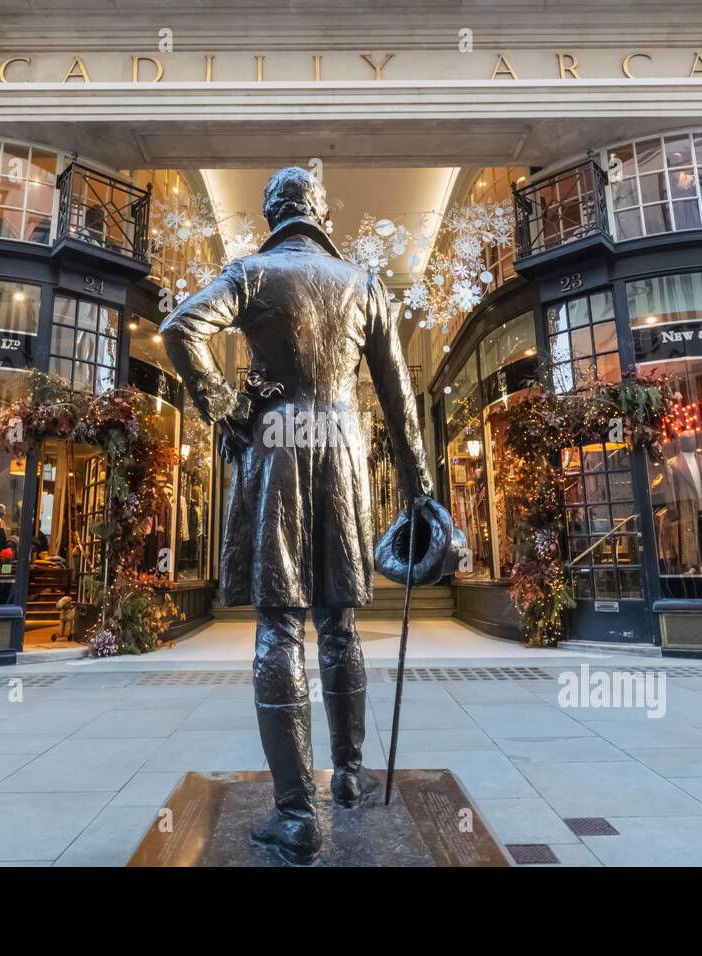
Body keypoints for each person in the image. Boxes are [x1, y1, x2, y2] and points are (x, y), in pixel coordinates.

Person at [160, 166, 431, 864]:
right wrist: (420, 487)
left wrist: (223, 402)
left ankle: (294, 814)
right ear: (319, 212)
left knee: (280, 624)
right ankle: (348, 775)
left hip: (278, 445)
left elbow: (180, 327)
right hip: (342, 444)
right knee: (340, 623)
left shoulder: (252, 271)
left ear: (271, 212)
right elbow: (400, 400)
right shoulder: (364, 284)